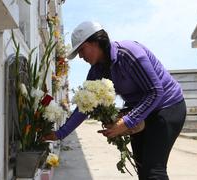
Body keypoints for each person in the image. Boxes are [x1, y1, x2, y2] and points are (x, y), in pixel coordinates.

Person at [43, 21, 186, 180]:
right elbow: (84, 107)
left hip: (167, 107)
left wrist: (126, 122)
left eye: (82, 50)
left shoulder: (129, 54)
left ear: (95, 42)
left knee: (154, 171)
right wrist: (59, 134)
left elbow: (155, 91)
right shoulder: (96, 71)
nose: (81, 56)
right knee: (143, 169)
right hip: (142, 112)